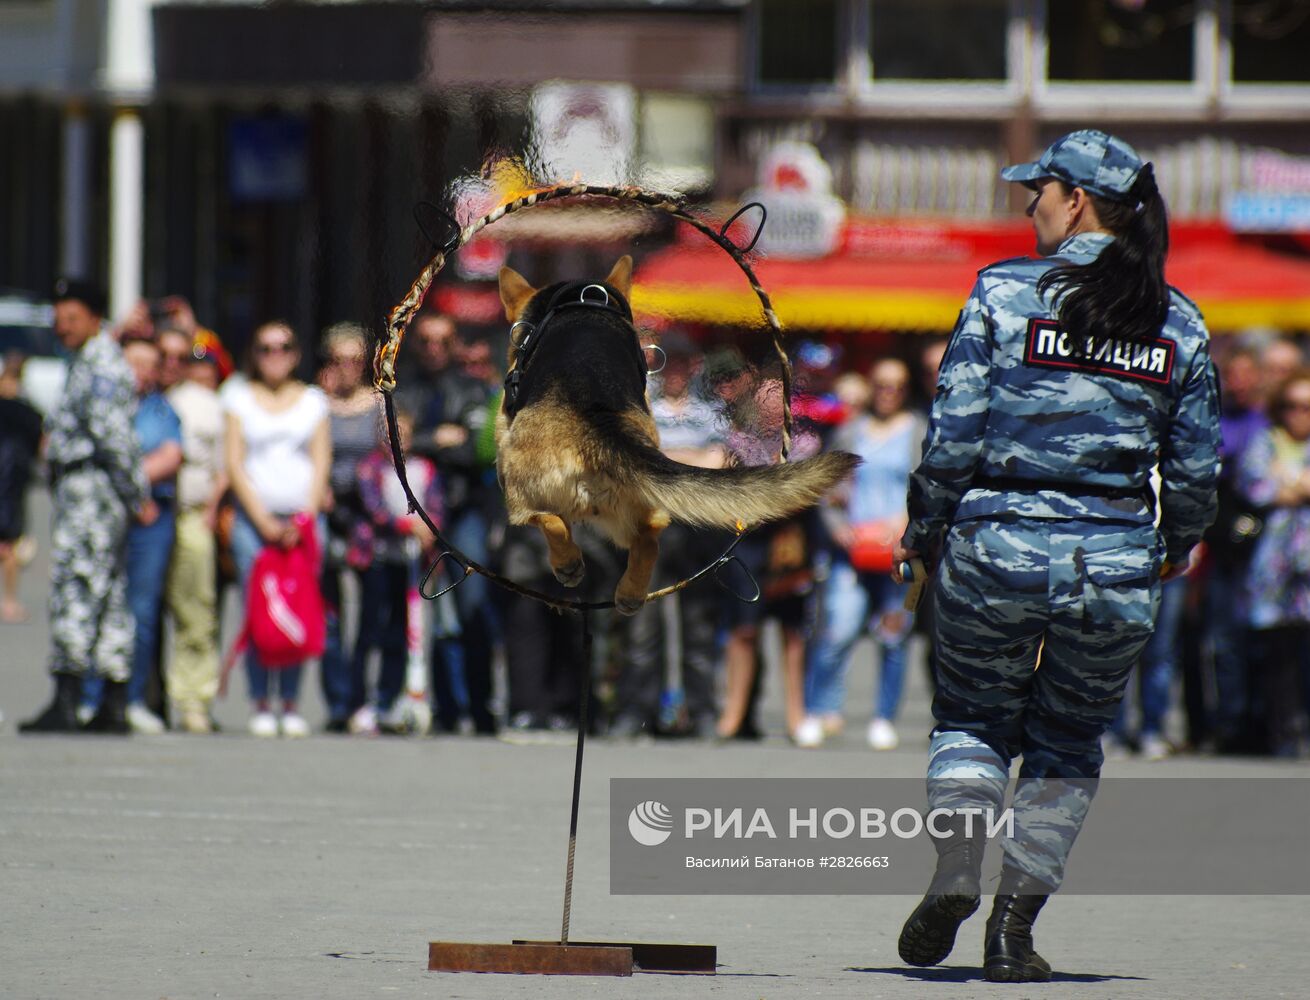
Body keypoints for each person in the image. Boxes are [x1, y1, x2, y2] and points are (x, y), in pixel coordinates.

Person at [892, 130, 1220, 981]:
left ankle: (958, 867)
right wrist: (1177, 544)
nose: (1028, 206)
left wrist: (924, 526)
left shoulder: (1003, 292)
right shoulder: (1178, 319)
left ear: (1075, 201)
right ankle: (1013, 930)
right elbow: (1195, 467)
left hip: (995, 541)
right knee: (1068, 742)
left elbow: (954, 430)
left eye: (1036, 192)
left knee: (971, 720)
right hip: (1115, 557)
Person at [20, 279, 148, 734]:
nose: (63, 327)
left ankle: (69, 697)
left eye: (72, 319)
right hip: (91, 490)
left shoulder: (100, 366)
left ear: (95, 319)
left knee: (77, 587)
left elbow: (114, 438)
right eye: (58, 320)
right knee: (107, 592)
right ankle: (111, 701)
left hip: (92, 492)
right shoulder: (86, 360)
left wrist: (136, 494)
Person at [800, 358, 924, 750]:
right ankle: (818, 710)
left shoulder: (920, 431)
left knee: (893, 634)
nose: (889, 393)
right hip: (852, 547)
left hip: (901, 550)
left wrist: (910, 522)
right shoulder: (851, 431)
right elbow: (826, 486)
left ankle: (884, 717)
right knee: (837, 630)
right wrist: (838, 528)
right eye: (882, 384)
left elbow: (931, 487)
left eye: (897, 386)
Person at [610, 332, 728, 739]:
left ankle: (702, 712)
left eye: (682, 362)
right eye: (668, 361)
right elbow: (636, 459)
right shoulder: (643, 407)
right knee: (642, 626)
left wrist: (665, 462)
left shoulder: (711, 412)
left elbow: (717, 461)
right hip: (649, 526)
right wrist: (688, 462)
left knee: (698, 625)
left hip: (696, 526)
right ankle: (636, 712)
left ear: (693, 367)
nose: (674, 370)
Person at [222, 321, 330, 738]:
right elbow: (234, 463)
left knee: (298, 608)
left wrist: (304, 518)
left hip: (302, 520)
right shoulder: (237, 396)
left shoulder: (313, 400)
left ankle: (290, 701)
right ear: (254, 354)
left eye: (283, 347)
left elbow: (320, 461)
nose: (274, 355)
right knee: (259, 611)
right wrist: (264, 521)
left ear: (296, 354)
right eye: (265, 348)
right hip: (254, 522)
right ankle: (260, 701)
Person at [399, 312, 498, 734]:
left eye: (443, 341)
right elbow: (395, 445)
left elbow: (476, 450)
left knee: (473, 605)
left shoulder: (474, 389)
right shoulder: (403, 389)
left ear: (455, 345)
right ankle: (442, 706)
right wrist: (438, 437)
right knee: (428, 611)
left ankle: (481, 705)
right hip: (417, 511)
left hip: (463, 510)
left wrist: (424, 440)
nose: (434, 349)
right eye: (426, 341)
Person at [90, 336, 182, 734]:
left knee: (141, 613)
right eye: (133, 363)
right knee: (98, 604)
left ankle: (132, 699)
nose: (140, 372)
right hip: (107, 513)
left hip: (151, 517)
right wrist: (131, 489)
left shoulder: (162, 410)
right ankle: (91, 698)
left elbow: (171, 456)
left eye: (149, 364)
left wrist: (131, 483)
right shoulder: (103, 405)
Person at [348, 409, 441, 735]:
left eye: (403, 433)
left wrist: (429, 529)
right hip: (377, 559)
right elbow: (374, 509)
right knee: (369, 629)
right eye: (391, 433)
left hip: (410, 562)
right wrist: (407, 526)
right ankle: (358, 701)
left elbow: (436, 505)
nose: (397, 440)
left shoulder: (424, 469)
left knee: (402, 632)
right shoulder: (370, 468)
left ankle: (390, 697)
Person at [1235, 369, 1310, 758]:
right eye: (1291, 406)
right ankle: (1281, 733)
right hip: (1273, 567)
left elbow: (1277, 487)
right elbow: (1255, 487)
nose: (1299, 414)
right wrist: (1299, 484)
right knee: (1277, 654)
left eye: (1307, 407)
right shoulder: (1264, 442)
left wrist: (1286, 482)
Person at [159, 325, 228, 733]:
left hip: (191, 514)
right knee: (145, 611)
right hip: (150, 516)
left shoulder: (206, 404)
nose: (172, 365)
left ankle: (193, 698)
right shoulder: (147, 399)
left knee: (196, 609)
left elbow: (223, 466)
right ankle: (146, 698)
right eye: (164, 357)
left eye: (180, 358)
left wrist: (211, 511)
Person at [317, 323, 381, 732]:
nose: (347, 368)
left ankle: (363, 695)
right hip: (327, 509)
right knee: (330, 613)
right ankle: (338, 700)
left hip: (366, 516)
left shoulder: (378, 403)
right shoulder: (315, 403)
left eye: (356, 360)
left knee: (369, 613)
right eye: (339, 360)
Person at [0, 353, 43, 624]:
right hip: (13, 479)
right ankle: (9, 601)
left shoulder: (26, 410)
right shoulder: (27, 410)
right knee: (10, 545)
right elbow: (41, 443)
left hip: (12, 480)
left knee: (10, 545)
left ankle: (9, 601)